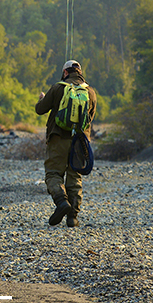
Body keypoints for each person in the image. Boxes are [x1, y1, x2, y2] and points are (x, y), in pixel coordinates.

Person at [34, 59, 97, 227]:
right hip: (80, 141)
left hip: (57, 138)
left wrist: (42, 99)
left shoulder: (57, 88)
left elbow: (40, 110)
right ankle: (73, 217)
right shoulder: (90, 92)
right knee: (75, 174)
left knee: (53, 173)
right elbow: (90, 118)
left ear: (65, 72)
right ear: (80, 72)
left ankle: (61, 202)